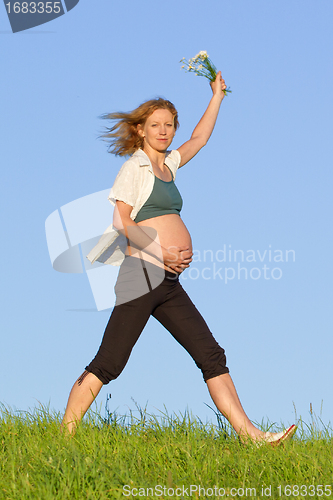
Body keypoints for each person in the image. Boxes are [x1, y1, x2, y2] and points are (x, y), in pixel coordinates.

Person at [61, 71, 296, 445]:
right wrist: (160, 251)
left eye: (169, 125)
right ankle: (64, 435)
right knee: (109, 363)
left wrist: (217, 95)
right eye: (155, 125)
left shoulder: (167, 166)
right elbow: (120, 221)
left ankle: (252, 436)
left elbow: (200, 138)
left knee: (211, 355)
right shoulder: (134, 168)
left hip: (168, 283)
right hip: (142, 274)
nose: (164, 131)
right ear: (140, 130)